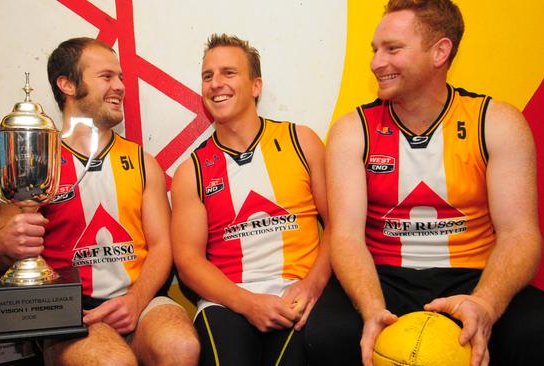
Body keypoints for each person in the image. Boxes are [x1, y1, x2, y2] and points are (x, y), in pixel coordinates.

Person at [310, 1, 544, 365]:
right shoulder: (352, 130)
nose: (375, 63)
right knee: (325, 334)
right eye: (375, 50)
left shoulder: (496, 122)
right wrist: (373, 309)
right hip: (382, 278)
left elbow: (520, 234)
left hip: (475, 276)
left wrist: (485, 303)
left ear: (440, 51)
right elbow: (346, 237)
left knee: (536, 331)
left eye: (392, 49)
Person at [0, 37, 199, 366]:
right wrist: (3, 244)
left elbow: (162, 247)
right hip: (71, 311)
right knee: (113, 362)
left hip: (140, 301)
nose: (119, 87)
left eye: (121, 78)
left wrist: (135, 299)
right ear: (67, 84)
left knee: (181, 347)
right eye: (106, 77)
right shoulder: (35, 163)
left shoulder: (142, 161)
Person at [171, 33, 330, 366]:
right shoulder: (192, 170)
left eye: (229, 73)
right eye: (207, 76)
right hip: (227, 300)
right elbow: (188, 262)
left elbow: (338, 225)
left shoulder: (301, 141)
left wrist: (313, 285)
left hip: (297, 292)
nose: (216, 84)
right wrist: (248, 302)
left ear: (256, 85)